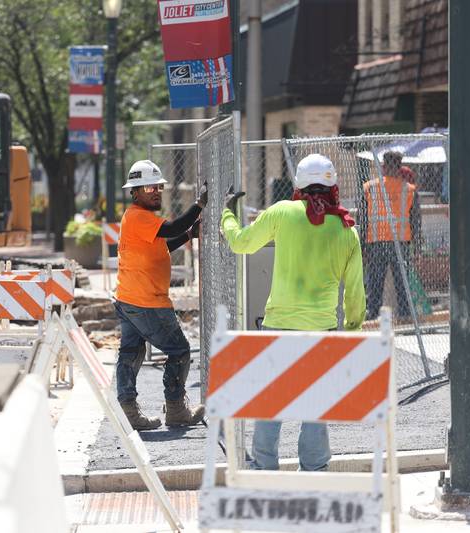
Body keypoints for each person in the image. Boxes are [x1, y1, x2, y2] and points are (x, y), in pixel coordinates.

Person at [220, 154, 366, 471]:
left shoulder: (283, 213)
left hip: (279, 328)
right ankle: (314, 470)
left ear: (298, 183)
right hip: (322, 331)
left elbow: (241, 244)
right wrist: (351, 332)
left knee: (270, 402)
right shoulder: (346, 230)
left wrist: (227, 215)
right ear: (332, 185)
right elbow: (355, 293)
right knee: (315, 406)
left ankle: (264, 467)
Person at [114, 159, 208, 430]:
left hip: (130, 298)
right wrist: (198, 205)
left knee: (131, 351)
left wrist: (189, 235)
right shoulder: (137, 217)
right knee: (179, 350)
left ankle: (130, 411)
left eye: (157, 186)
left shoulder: (139, 219)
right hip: (147, 303)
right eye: (148, 188)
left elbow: (163, 243)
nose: (155, 191)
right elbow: (171, 229)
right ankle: (176, 410)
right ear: (135, 192)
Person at [360, 151, 421, 320]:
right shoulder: (409, 190)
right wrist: (417, 244)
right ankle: (405, 314)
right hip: (400, 242)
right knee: (402, 282)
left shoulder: (369, 187)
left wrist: (362, 245)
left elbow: (363, 218)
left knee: (375, 281)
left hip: (376, 240)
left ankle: (373, 314)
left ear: (383, 166)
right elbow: (415, 219)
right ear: (400, 167)